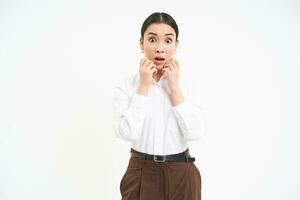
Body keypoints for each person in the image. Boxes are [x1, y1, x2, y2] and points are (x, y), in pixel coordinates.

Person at [112, 12, 206, 200]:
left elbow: (196, 132)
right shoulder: (126, 85)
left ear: (176, 45)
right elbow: (127, 133)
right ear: (141, 43)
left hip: (182, 171)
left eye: (168, 41)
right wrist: (143, 87)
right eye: (153, 39)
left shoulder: (188, 84)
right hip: (141, 170)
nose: (160, 49)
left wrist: (174, 89)